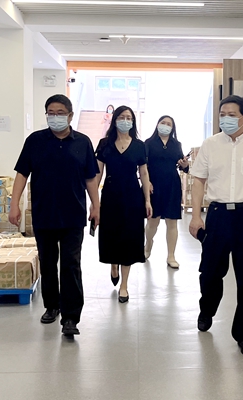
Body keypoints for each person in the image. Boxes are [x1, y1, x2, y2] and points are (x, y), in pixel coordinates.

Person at [189, 95, 243, 357]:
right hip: (217, 215)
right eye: (222, 114)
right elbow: (198, 181)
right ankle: (207, 310)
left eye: (231, 114)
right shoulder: (210, 145)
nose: (225, 119)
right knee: (210, 272)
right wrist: (196, 216)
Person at [9, 94, 100, 337]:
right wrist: (14, 204)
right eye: (51, 112)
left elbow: (90, 178)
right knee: (48, 263)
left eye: (60, 113)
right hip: (44, 212)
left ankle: (71, 317)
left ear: (70, 116)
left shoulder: (83, 142)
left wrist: (96, 206)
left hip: (73, 214)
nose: (55, 117)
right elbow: (22, 174)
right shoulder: (35, 141)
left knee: (71, 265)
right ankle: (52, 306)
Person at [95, 105, 152, 303]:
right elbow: (98, 173)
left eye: (129, 118)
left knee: (129, 237)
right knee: (111, 234)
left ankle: (124, 285)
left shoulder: (139, 145)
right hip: (110, 195)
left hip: (132, 196)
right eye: (121, 117)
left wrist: (147, 200)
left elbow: (144, 173)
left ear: (133, 122)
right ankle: (113, 265)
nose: (125, 121)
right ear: (115, 120)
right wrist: (94, 201)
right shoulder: (104, 144)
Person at [144, 115, 189, 268]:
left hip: (172, 185)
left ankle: (171, 256)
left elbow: (182, 165)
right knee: (153, 221)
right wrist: (147, 182)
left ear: (173, 128)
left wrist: (184, 164)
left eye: (169, 124)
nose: (165, 125)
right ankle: (148, 244)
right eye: (163, 123)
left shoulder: (176, 144)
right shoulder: (149, 143)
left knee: (172, 221)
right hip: (154, 186)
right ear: (157, 124)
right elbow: (143, 166)